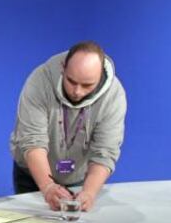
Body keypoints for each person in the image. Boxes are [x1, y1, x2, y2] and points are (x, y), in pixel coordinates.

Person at [9, 41, 126, 212]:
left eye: (87, 85)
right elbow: (32, 140)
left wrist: (89, 193)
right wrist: (48, 186)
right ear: (63, 67)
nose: (77, 91)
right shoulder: (40, 81)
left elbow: (105, 152)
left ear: (100, 76)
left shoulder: (114, 95)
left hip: (80, 177)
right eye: (71, 81)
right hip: (34, 176)